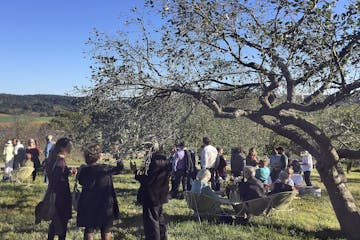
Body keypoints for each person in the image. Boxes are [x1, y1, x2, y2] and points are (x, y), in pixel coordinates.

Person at [77, 144, 124, 240]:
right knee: (106, 229)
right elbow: (120, 168)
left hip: (88, 202)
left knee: (89, 229)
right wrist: (117, 154)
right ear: (99, 156)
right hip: (105, 202)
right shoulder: (106, 168)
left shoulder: (84, 170)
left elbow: (81, 182)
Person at [133, 142, 171, 240]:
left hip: (150, 195)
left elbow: (147, 180)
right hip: (161, 194)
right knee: (159, 218)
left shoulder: (151, 161)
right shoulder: (165, 159)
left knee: (151, 222)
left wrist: (136, 173)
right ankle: (163, 237)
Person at [46, 137, 76, 240]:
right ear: (64, 147)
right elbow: (58, 179)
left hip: (53, 193)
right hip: (61, 196)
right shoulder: (61, 161)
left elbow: (55, 175)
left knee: (55, 222)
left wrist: (67, 171)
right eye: (69, 146)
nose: (71, 148)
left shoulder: (52, 159)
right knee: (62, 223)